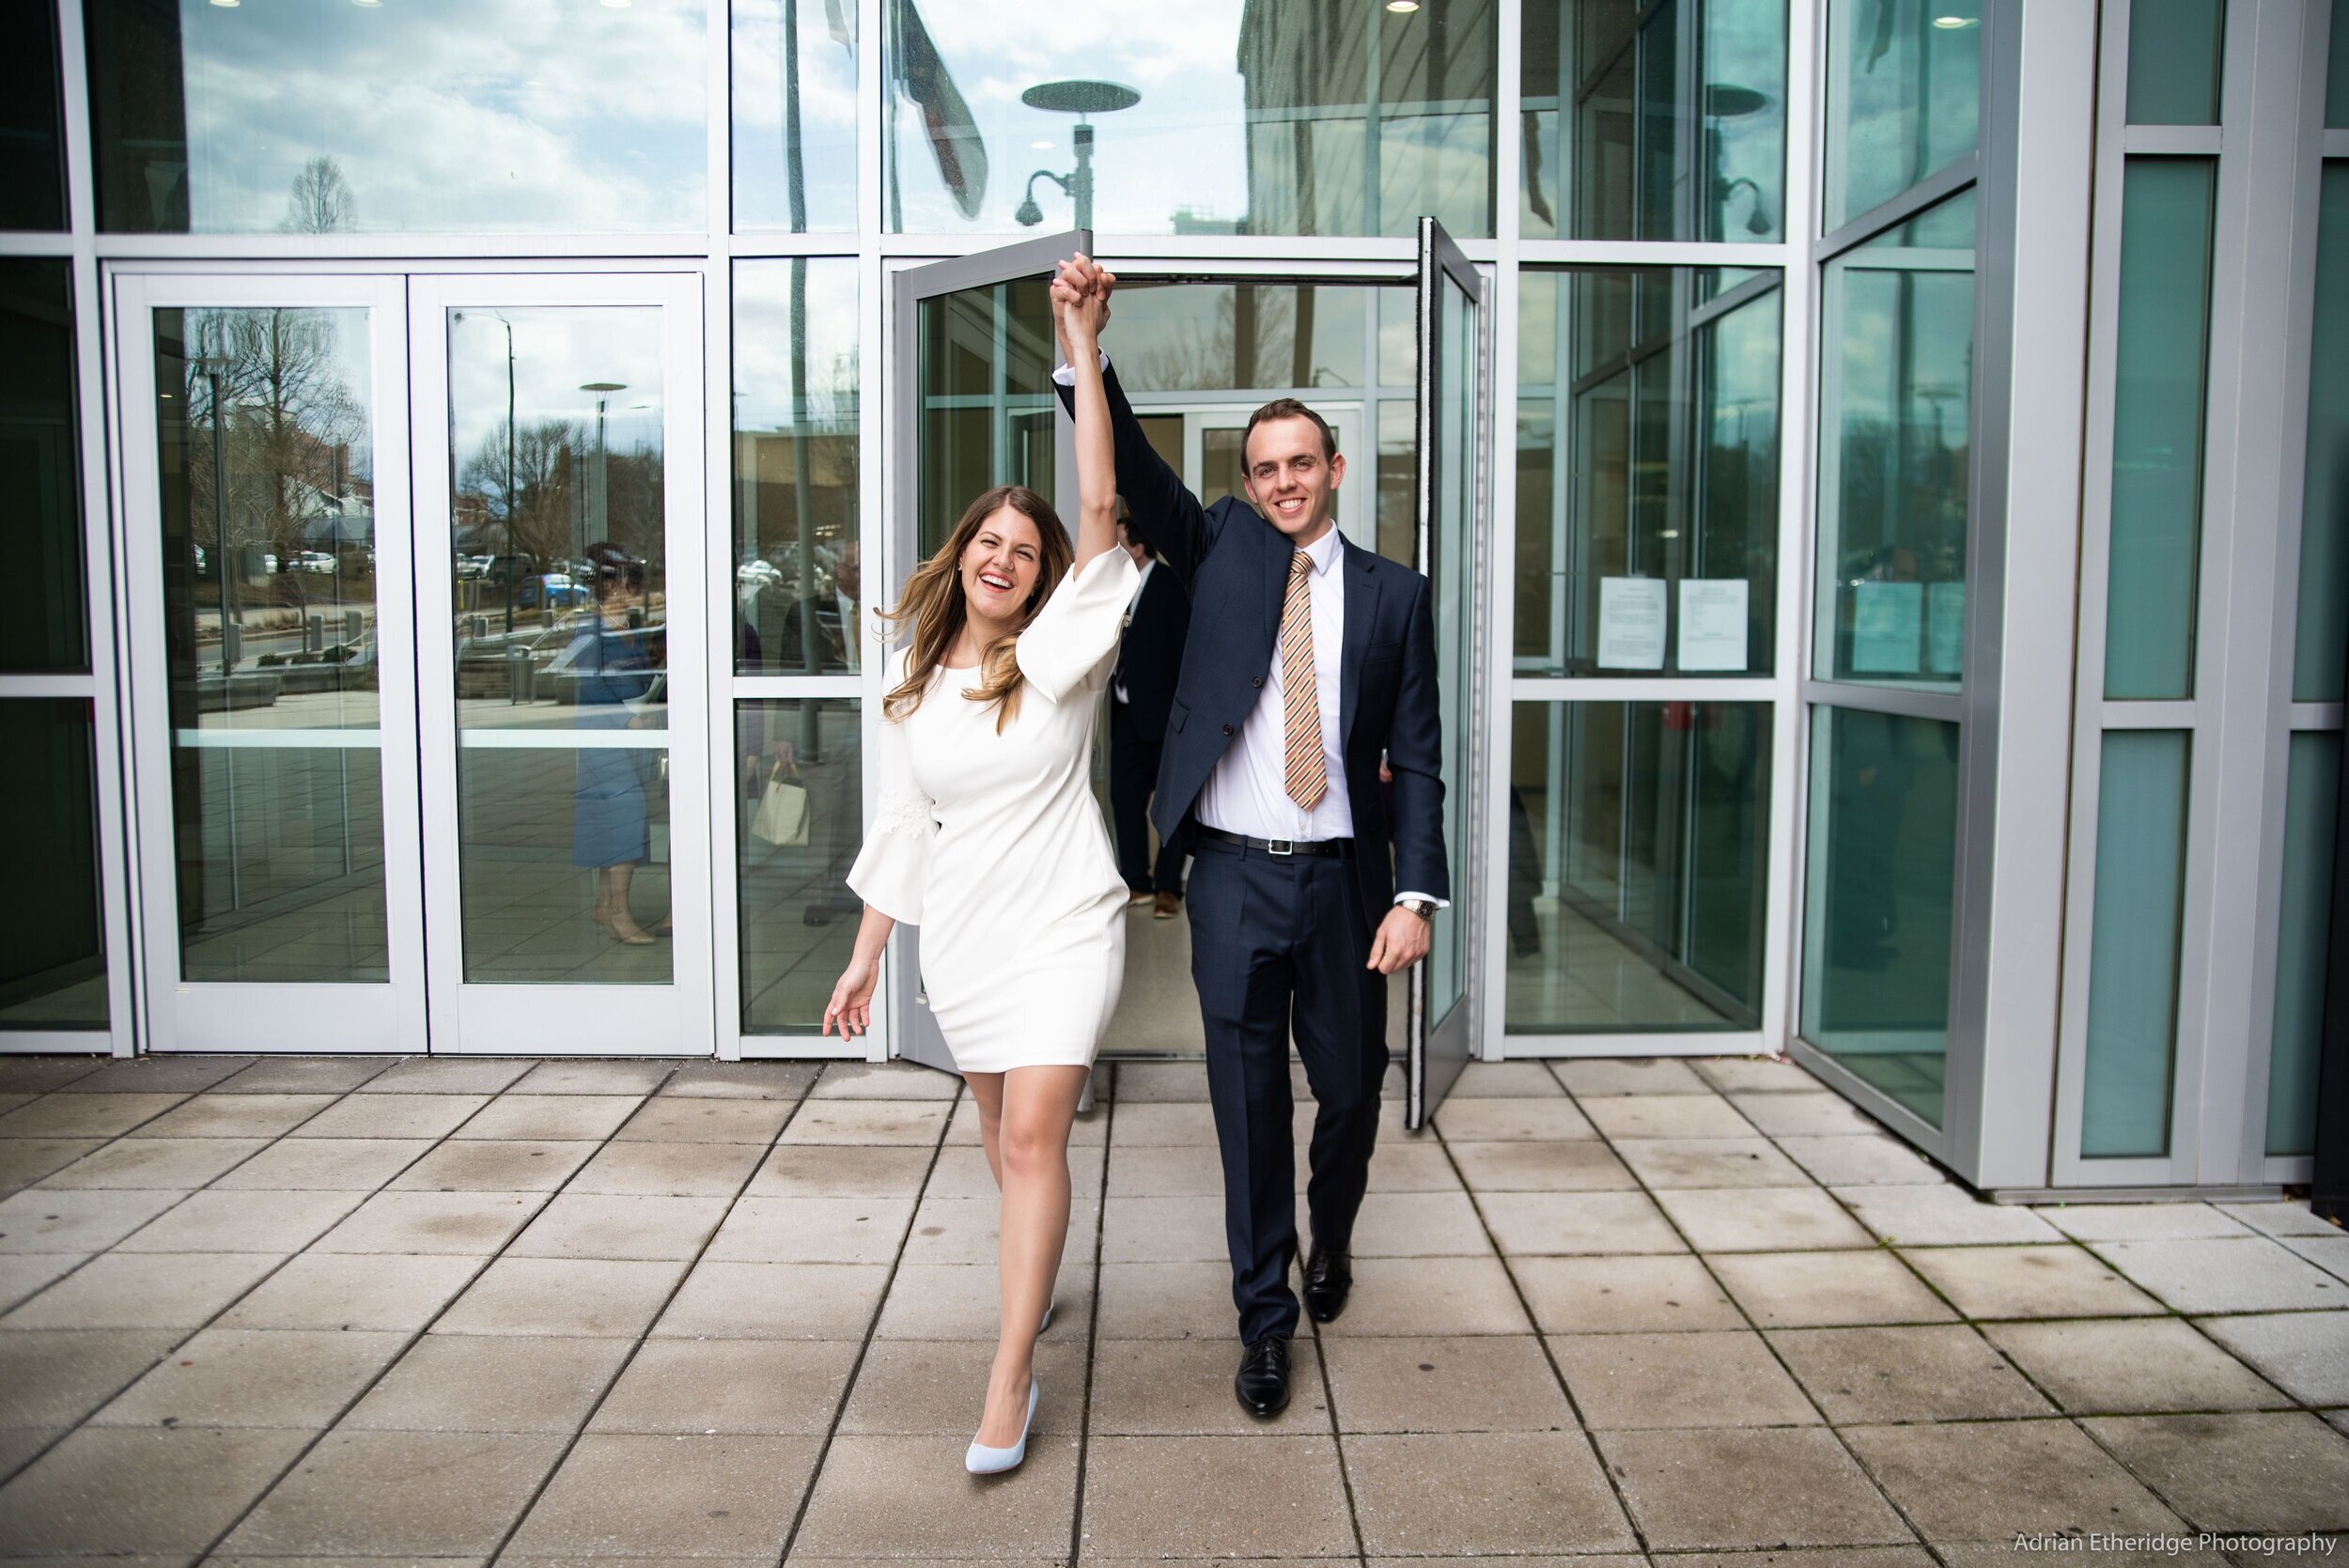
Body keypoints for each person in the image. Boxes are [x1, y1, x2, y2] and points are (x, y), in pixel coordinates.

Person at [1049, 255, 1448, 1421]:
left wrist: (1411, 897)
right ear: (1248, 482)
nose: (1282, 482)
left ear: (1333, 469)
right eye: (1263, 467)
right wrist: (1088, 341)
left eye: (1300, 463)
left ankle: (1333, 1239)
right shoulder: (1215, 545)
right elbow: (1129, 473)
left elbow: (1417, 754)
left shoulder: (1394, 595)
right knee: (1246, 1108)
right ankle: (1263, 1319)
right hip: (1228, 879)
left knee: (1353, 1093)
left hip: (1343, 887)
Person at [820, 283, 1133, 1478]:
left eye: (1027, 548)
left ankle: (1009, 1376)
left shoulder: (1060, 651)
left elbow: (1100, 503)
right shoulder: (910, 666)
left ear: (1047, 572)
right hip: (962, 937)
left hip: (1061, 923)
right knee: (1002, 1137)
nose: (1006, 559)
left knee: (1034, 1138)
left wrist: (1081, 348)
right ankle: (1030, 1278)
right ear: (964, 558)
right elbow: (905, 820)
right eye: (989, 543)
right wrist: (864, 958)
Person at [568, 545, 664, 946]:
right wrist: (629, 719)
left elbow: (640, 674)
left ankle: (603, 904)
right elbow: (591, 684)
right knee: (626, 812)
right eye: (627, 582)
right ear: (607, 586)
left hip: (633, 733)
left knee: (618, 816)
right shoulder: (590, 628)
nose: (633, 589)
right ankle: (619, 915)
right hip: (604, 733)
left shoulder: (627, 623)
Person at [1108, 517, 1193, 917]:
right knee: (1124, 799)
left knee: (1170, 807)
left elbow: (1185, 653)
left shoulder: (1169, 586)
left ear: (1138, 548)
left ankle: (1168, 888)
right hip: (1124, 714)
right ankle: (1136, 883)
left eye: (1120, 542)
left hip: (1164, 719)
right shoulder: (1116, 590)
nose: (1113, 549)